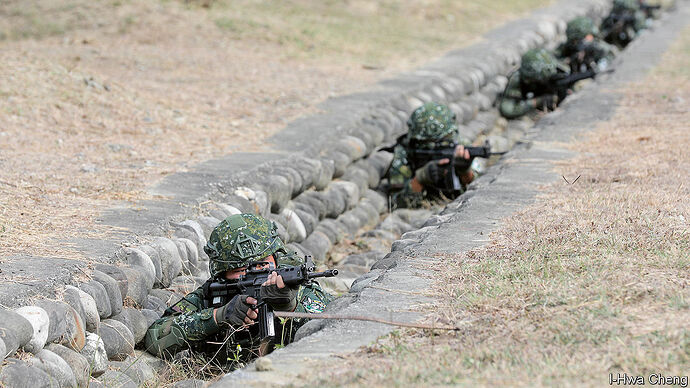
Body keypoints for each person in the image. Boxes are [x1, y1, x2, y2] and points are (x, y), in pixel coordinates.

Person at [144, 214, 333, 363]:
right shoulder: (214, 292)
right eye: (241, 270)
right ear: (223, 273)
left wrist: (288, 306)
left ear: (275, 257)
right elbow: (155, 339)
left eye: (263, 264)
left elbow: (329, 327)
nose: (257, 273)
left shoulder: (294, 284)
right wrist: (220, 315)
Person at [380, 102, 477, 209]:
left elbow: (480, 187)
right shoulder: (405, 155)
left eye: (443, 142)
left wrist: (465, 172)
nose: (437, 147)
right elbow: (395, 203)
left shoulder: (461, 149)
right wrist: (420, 178)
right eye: (428, 144)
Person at [499, 48, 571, 120]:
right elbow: (507, 109)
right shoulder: (518, 79)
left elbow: (568, 74)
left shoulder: (554, 68)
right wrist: (537, 101)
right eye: (542, 78)